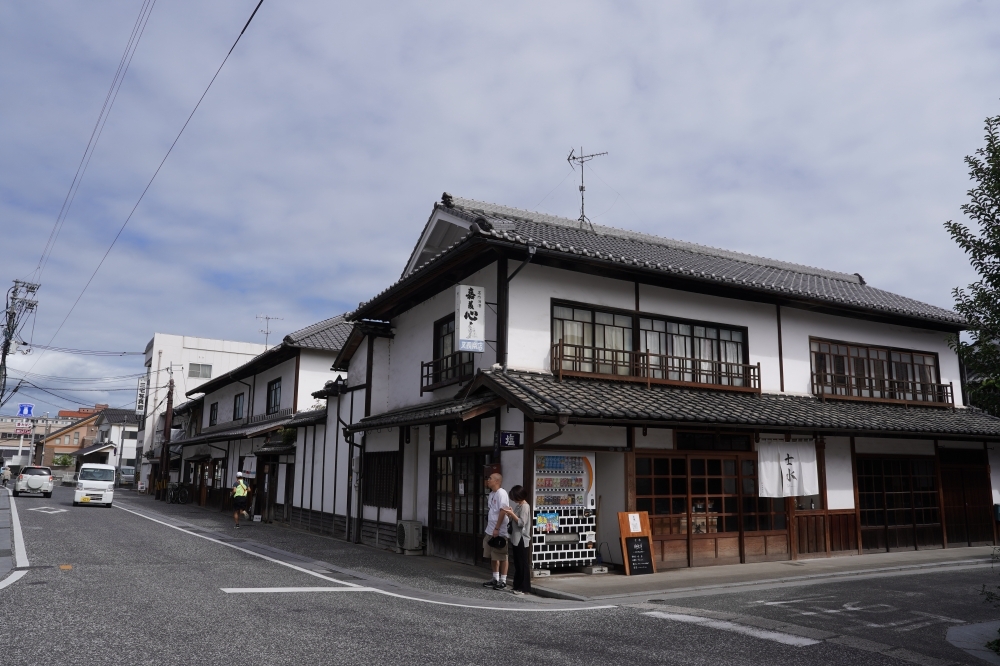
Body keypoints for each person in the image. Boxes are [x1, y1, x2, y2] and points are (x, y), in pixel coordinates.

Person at [502, 484, 532, 595]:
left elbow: (521, 522)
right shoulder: (519, 505)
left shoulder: (525, 506)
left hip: (522, 538)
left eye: (514, 497)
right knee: (518, 563)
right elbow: (515, 520)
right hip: (516, 537)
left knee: (523, 564)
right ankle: (517, 585)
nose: (513, 499)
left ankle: (524, 588)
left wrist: (512, 514)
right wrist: (510, 513)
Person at [482, 472, 510, 590]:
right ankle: (495, 578)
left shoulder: (501, 493)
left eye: (490, 478)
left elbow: (503, 511)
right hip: (490, 529)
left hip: (500, 530)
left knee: (502, 555)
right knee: (492, 555)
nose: (488, 480)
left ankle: (503, 580)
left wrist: (497, 528)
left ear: (497, 481)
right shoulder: (492, 493)